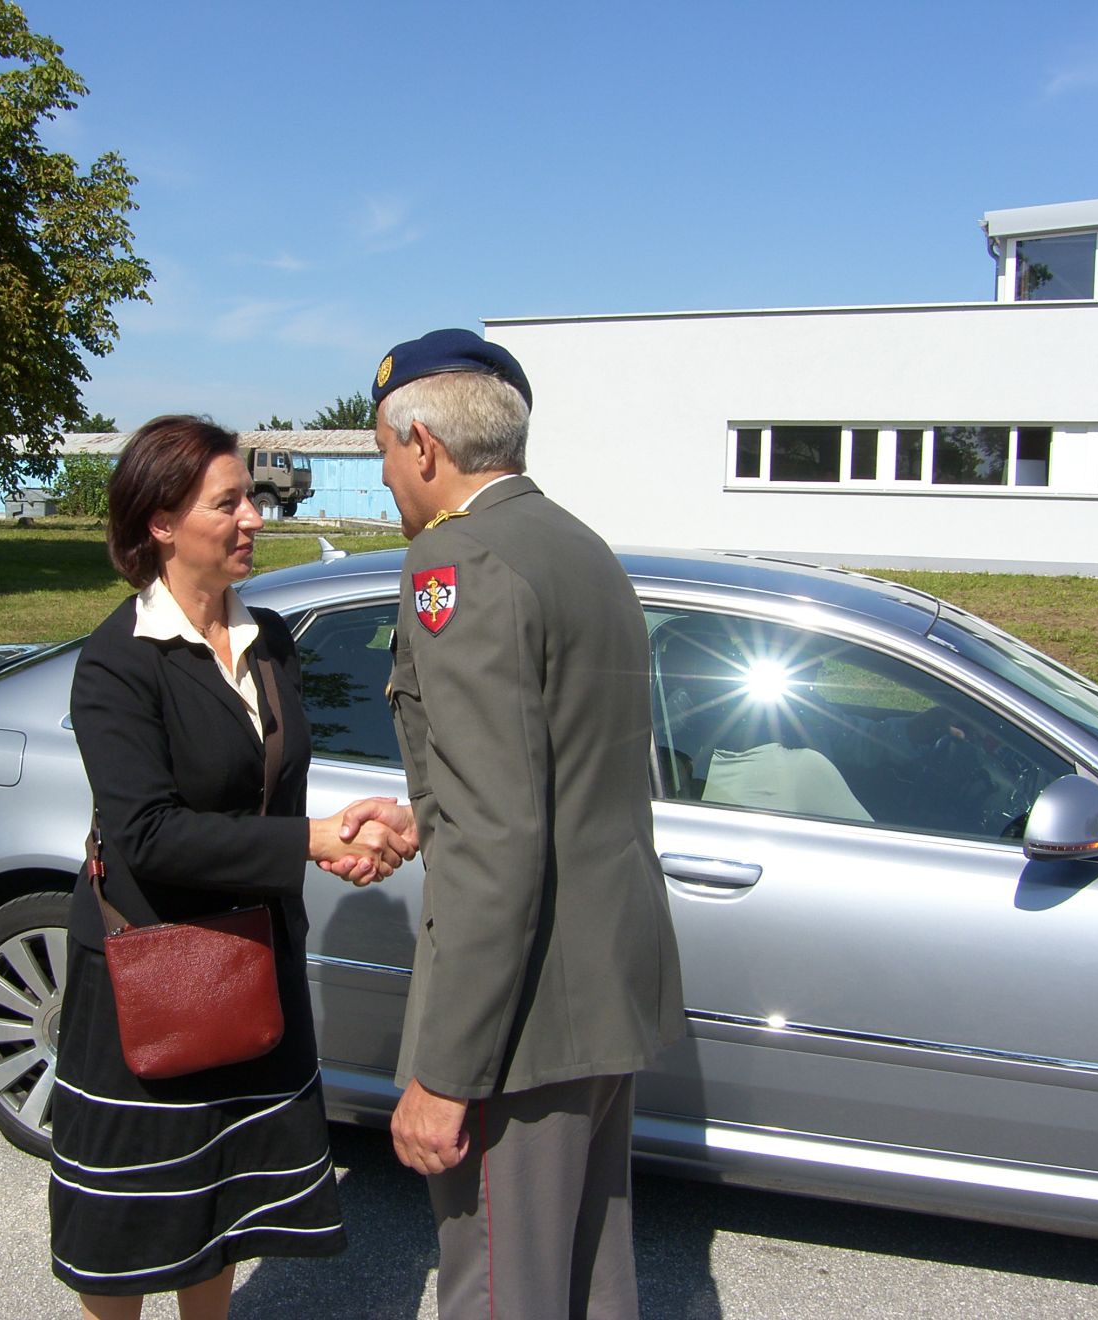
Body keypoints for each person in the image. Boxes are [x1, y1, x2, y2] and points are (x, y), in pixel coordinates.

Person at [342, 330, 687, 1319]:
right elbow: (558, 773)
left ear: (421, 446)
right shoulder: (579, 545)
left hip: (519, 1017)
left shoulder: (454, 561)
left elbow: (498, 839)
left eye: (380, 458)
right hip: (601, 988)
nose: (386, 484)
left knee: (502, 1291)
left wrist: (444, 1074)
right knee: (588, 1282)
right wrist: (426, 813)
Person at [53, 415, 414, 1320]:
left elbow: (270, 797)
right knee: (131, 1227)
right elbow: (149, 836)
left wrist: (343, 842)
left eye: (250, 495)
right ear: (161, 525)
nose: (255, 515)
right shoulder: (116, 664)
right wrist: (309, 841)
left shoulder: (274, 641)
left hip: (253, 959)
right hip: (154, 970)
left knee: (220, 1208)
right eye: (229, 502)